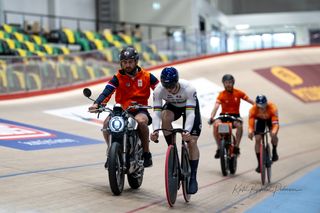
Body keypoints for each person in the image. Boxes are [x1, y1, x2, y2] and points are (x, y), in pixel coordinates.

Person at [89, 46, 159, 168]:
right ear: (121, 63)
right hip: (121, 110)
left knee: (141, 122)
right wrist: (97, 104)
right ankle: (111, 153)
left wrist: (165, 102)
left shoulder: (147, 76)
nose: (127, 65)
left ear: (136, 62)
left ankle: (147, 153)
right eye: (124, 62)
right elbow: (107, 92)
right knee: (106, 124)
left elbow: (160, 90)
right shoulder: (117, 78)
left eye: (130, 62)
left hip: (140, 109)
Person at [150, 67, 201, 194]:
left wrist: (187, 131)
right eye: (166, 86)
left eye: (172, 85)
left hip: (189, 108)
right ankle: (172, 150)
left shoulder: (189, 89)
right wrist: (155, 130)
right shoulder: (158, 90)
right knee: (165, 117)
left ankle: (193, 176)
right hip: (173, 106)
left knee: (192, 142)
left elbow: (190, 114)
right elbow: (156, 113)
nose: (169, 89)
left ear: (177, 81)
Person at [209, 74, 254, 158]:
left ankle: (236, 147)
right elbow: (216, 106)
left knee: (239, 126)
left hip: (235, 116)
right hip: (224, 116)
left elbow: (250, 100)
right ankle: (219, 147)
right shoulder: (221, 94)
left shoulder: (238, 93)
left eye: (230, 82)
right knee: (215, 125)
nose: (228, 84)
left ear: (233, 83)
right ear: (223, 84)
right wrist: (212, 116)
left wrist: (257, 106)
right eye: (226, 83)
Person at [248, 95, 279, 173]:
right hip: (260, 121)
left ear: (266, 103)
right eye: (259, 106)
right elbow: (251, 123)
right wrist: (250, 131)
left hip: (270, 120)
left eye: (263, 106)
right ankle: (259, 164)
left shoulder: (272, 108)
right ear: (256, 105)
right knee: (257, 139)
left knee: (273, 135)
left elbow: (275, 124)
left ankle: (274, 151)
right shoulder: (253, 109)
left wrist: (274, 133)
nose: (261, 108)